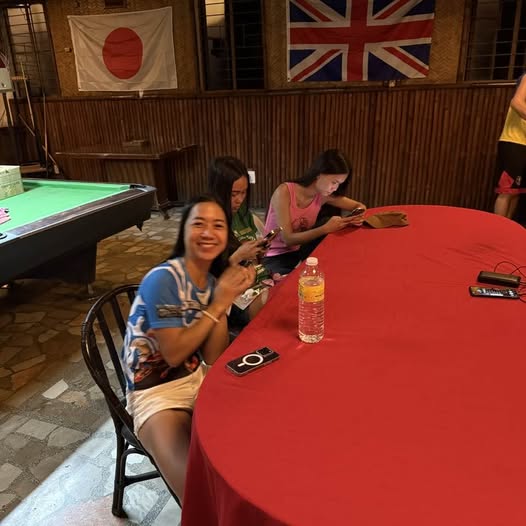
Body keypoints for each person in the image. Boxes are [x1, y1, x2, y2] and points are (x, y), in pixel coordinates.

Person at [121, 195, 255, 501]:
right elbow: (174, 355)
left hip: (198, 379)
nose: (208, 232)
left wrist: (220, 299)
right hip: (156, 394)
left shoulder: (209, 281)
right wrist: (219, 302)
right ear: (183, 231)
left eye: (218, 225)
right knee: (198, 494)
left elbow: (213, 356)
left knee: (255, 445)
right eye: (199, 223)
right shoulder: (163, 280)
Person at [262, 149, 366, 276]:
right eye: (334, 182)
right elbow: (287, 239)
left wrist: (356, 216)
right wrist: (325, 228)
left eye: (339, 184)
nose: (335, 188)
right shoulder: (284, 192)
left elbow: (359, 206)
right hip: (274, 255)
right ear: (319, 174)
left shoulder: (323, 195)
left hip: (299, 250)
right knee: (292, 283)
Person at [208, 156, 271, 322]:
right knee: (269, 309)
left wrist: (256, 252)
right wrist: (238, 256)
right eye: (233, 194)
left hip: (248, 281)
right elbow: (207, 280)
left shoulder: (240, 213)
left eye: (243, 193)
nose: (240, 200)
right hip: (224, 294)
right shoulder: (208, 219)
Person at [494, 74, 526, 219]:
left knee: (516, 192)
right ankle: (497, 229)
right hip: (514, 142)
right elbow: (516, 102)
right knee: (506, 192)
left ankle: (507, 228)